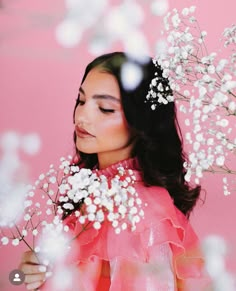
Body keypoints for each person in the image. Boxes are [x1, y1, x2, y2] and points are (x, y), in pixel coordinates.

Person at [19, 52, 208, 290]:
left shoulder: (139, 212)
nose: (82, 116)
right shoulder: (93, 194)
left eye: (105, 108)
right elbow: (15, 278)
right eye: (81, 100)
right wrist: (26, 275)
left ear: (141, 120)